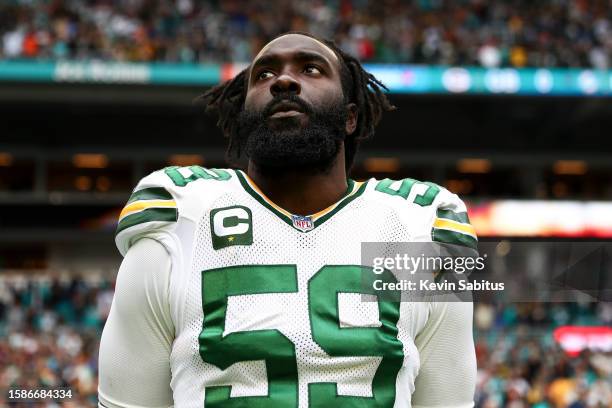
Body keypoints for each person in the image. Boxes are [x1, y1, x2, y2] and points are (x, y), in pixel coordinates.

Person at [98, 31, 477, 408]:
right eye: (263, 75)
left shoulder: (419, 224)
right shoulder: (181, 217)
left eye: (311, 68)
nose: (283, 81)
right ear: (244, 116)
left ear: (350, 117)